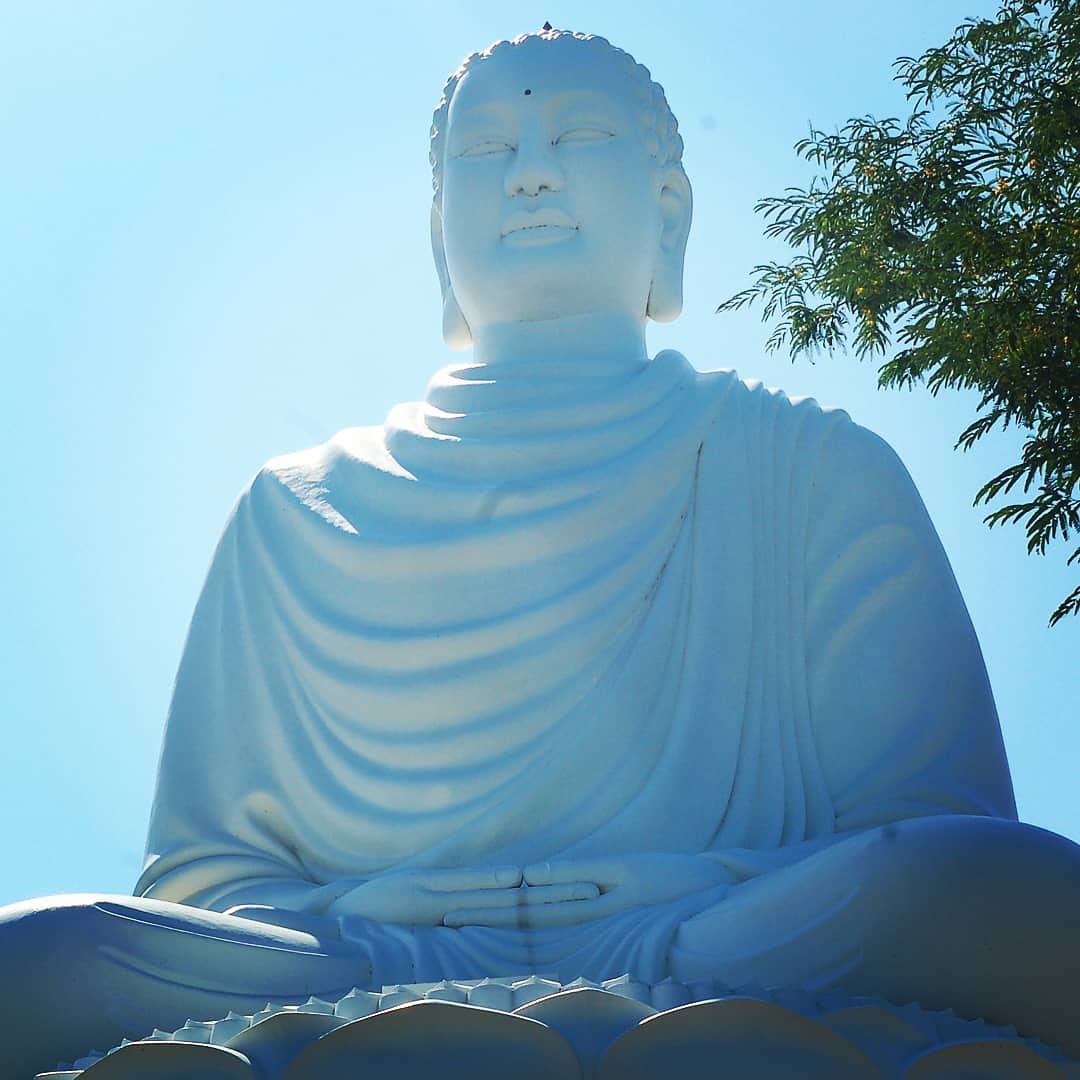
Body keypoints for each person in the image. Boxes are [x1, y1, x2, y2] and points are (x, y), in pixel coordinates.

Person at [3, 28, 1079, 1077]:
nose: (528, 177)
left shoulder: (811, 466)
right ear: (439, 232)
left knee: (1001, 886)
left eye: (577, 139)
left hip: (722, 942)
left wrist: (691, 901)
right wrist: (365, 928)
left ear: (671, 210)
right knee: (39, 957)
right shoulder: (297, 508)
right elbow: (217, 878)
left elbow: (914, 832)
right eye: (488, 153)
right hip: (359, 963)